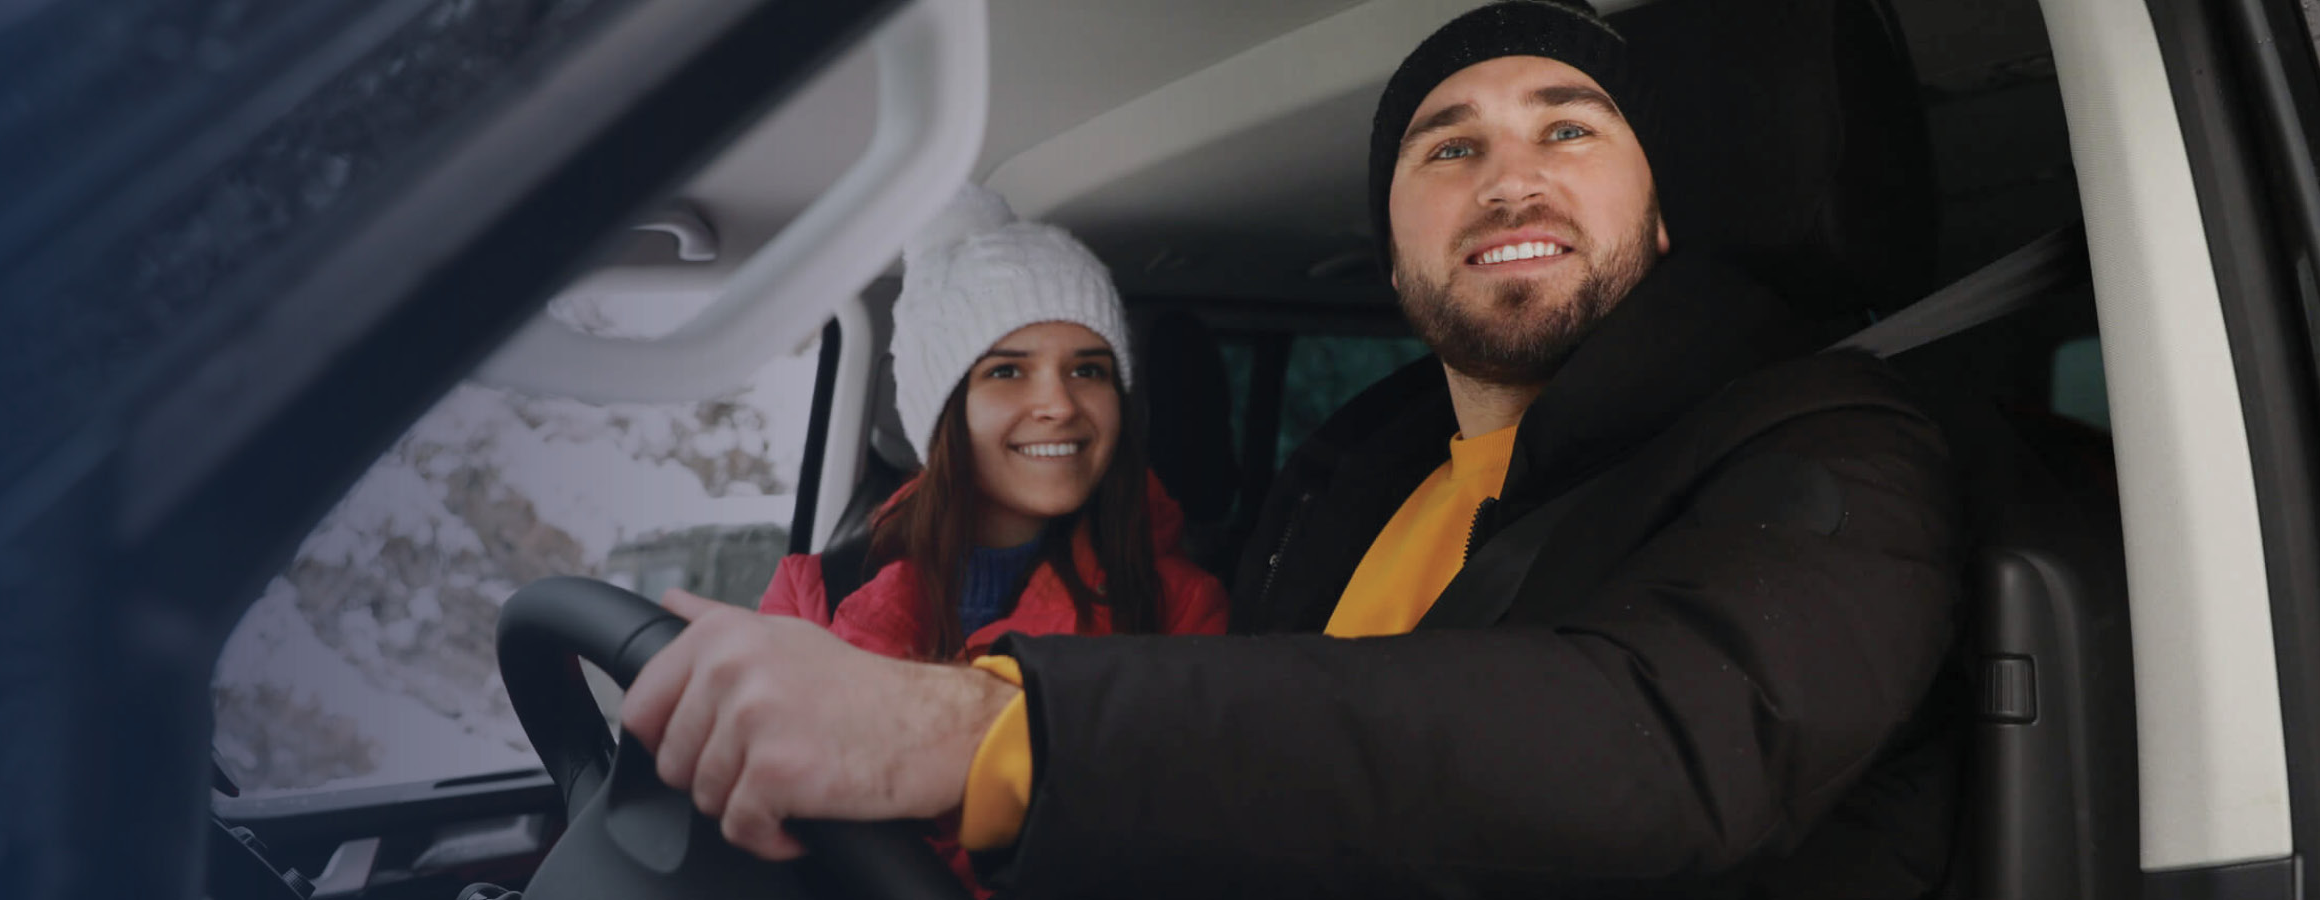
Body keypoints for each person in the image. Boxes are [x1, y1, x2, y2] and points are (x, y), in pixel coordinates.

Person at [624, 2, 1962, 897]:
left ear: (1659, 221)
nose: (1509, 178)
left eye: (1567, 126)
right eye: (1449, 147)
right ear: (1391, 259)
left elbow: (1657, 740)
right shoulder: (1347, 480)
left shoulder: (1828, 450)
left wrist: (975, 729)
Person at [747, 182, 1229, 893]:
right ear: (945, 410)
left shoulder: (1176, 610)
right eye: (1007, 370)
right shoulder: (816, 590)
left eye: (1088, 369)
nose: (1059, 404)